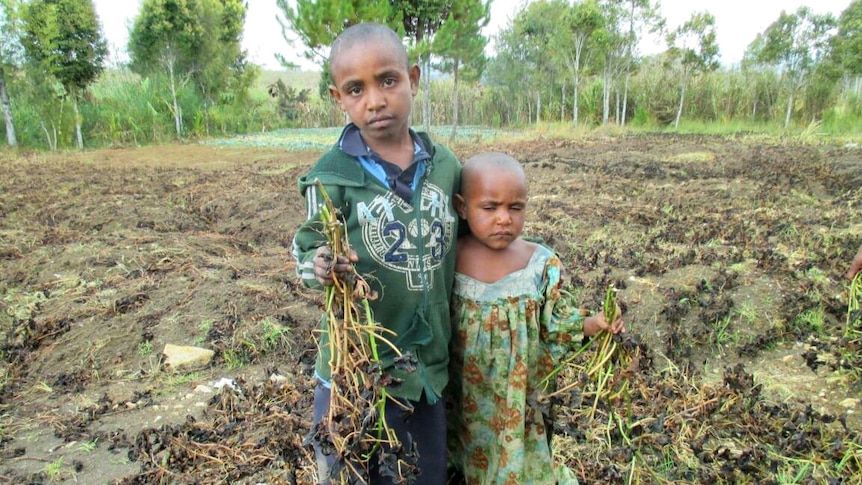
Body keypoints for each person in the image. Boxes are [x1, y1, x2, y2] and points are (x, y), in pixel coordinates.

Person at [291, 23, 461, 485]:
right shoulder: (330, 177)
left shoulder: (446, 167)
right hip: (355, 368)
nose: (375, 99)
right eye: (356, 89)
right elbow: (307, 245)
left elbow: (474, 235)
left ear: (414, 78)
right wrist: (321, 264)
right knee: (347, 471)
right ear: (338, 97)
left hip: (425, 368)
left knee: (424, 474)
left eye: (388, 80)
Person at [446, 152, 625, 484]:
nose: (504, 219)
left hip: (519, 399)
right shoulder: (449, 259)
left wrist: (593, 324)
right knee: (467, 457)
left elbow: (555, 320)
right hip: (465, 397)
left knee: (520, 462)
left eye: (516, 208)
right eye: (490, 208)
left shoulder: (539, 264)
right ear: (461, 207)